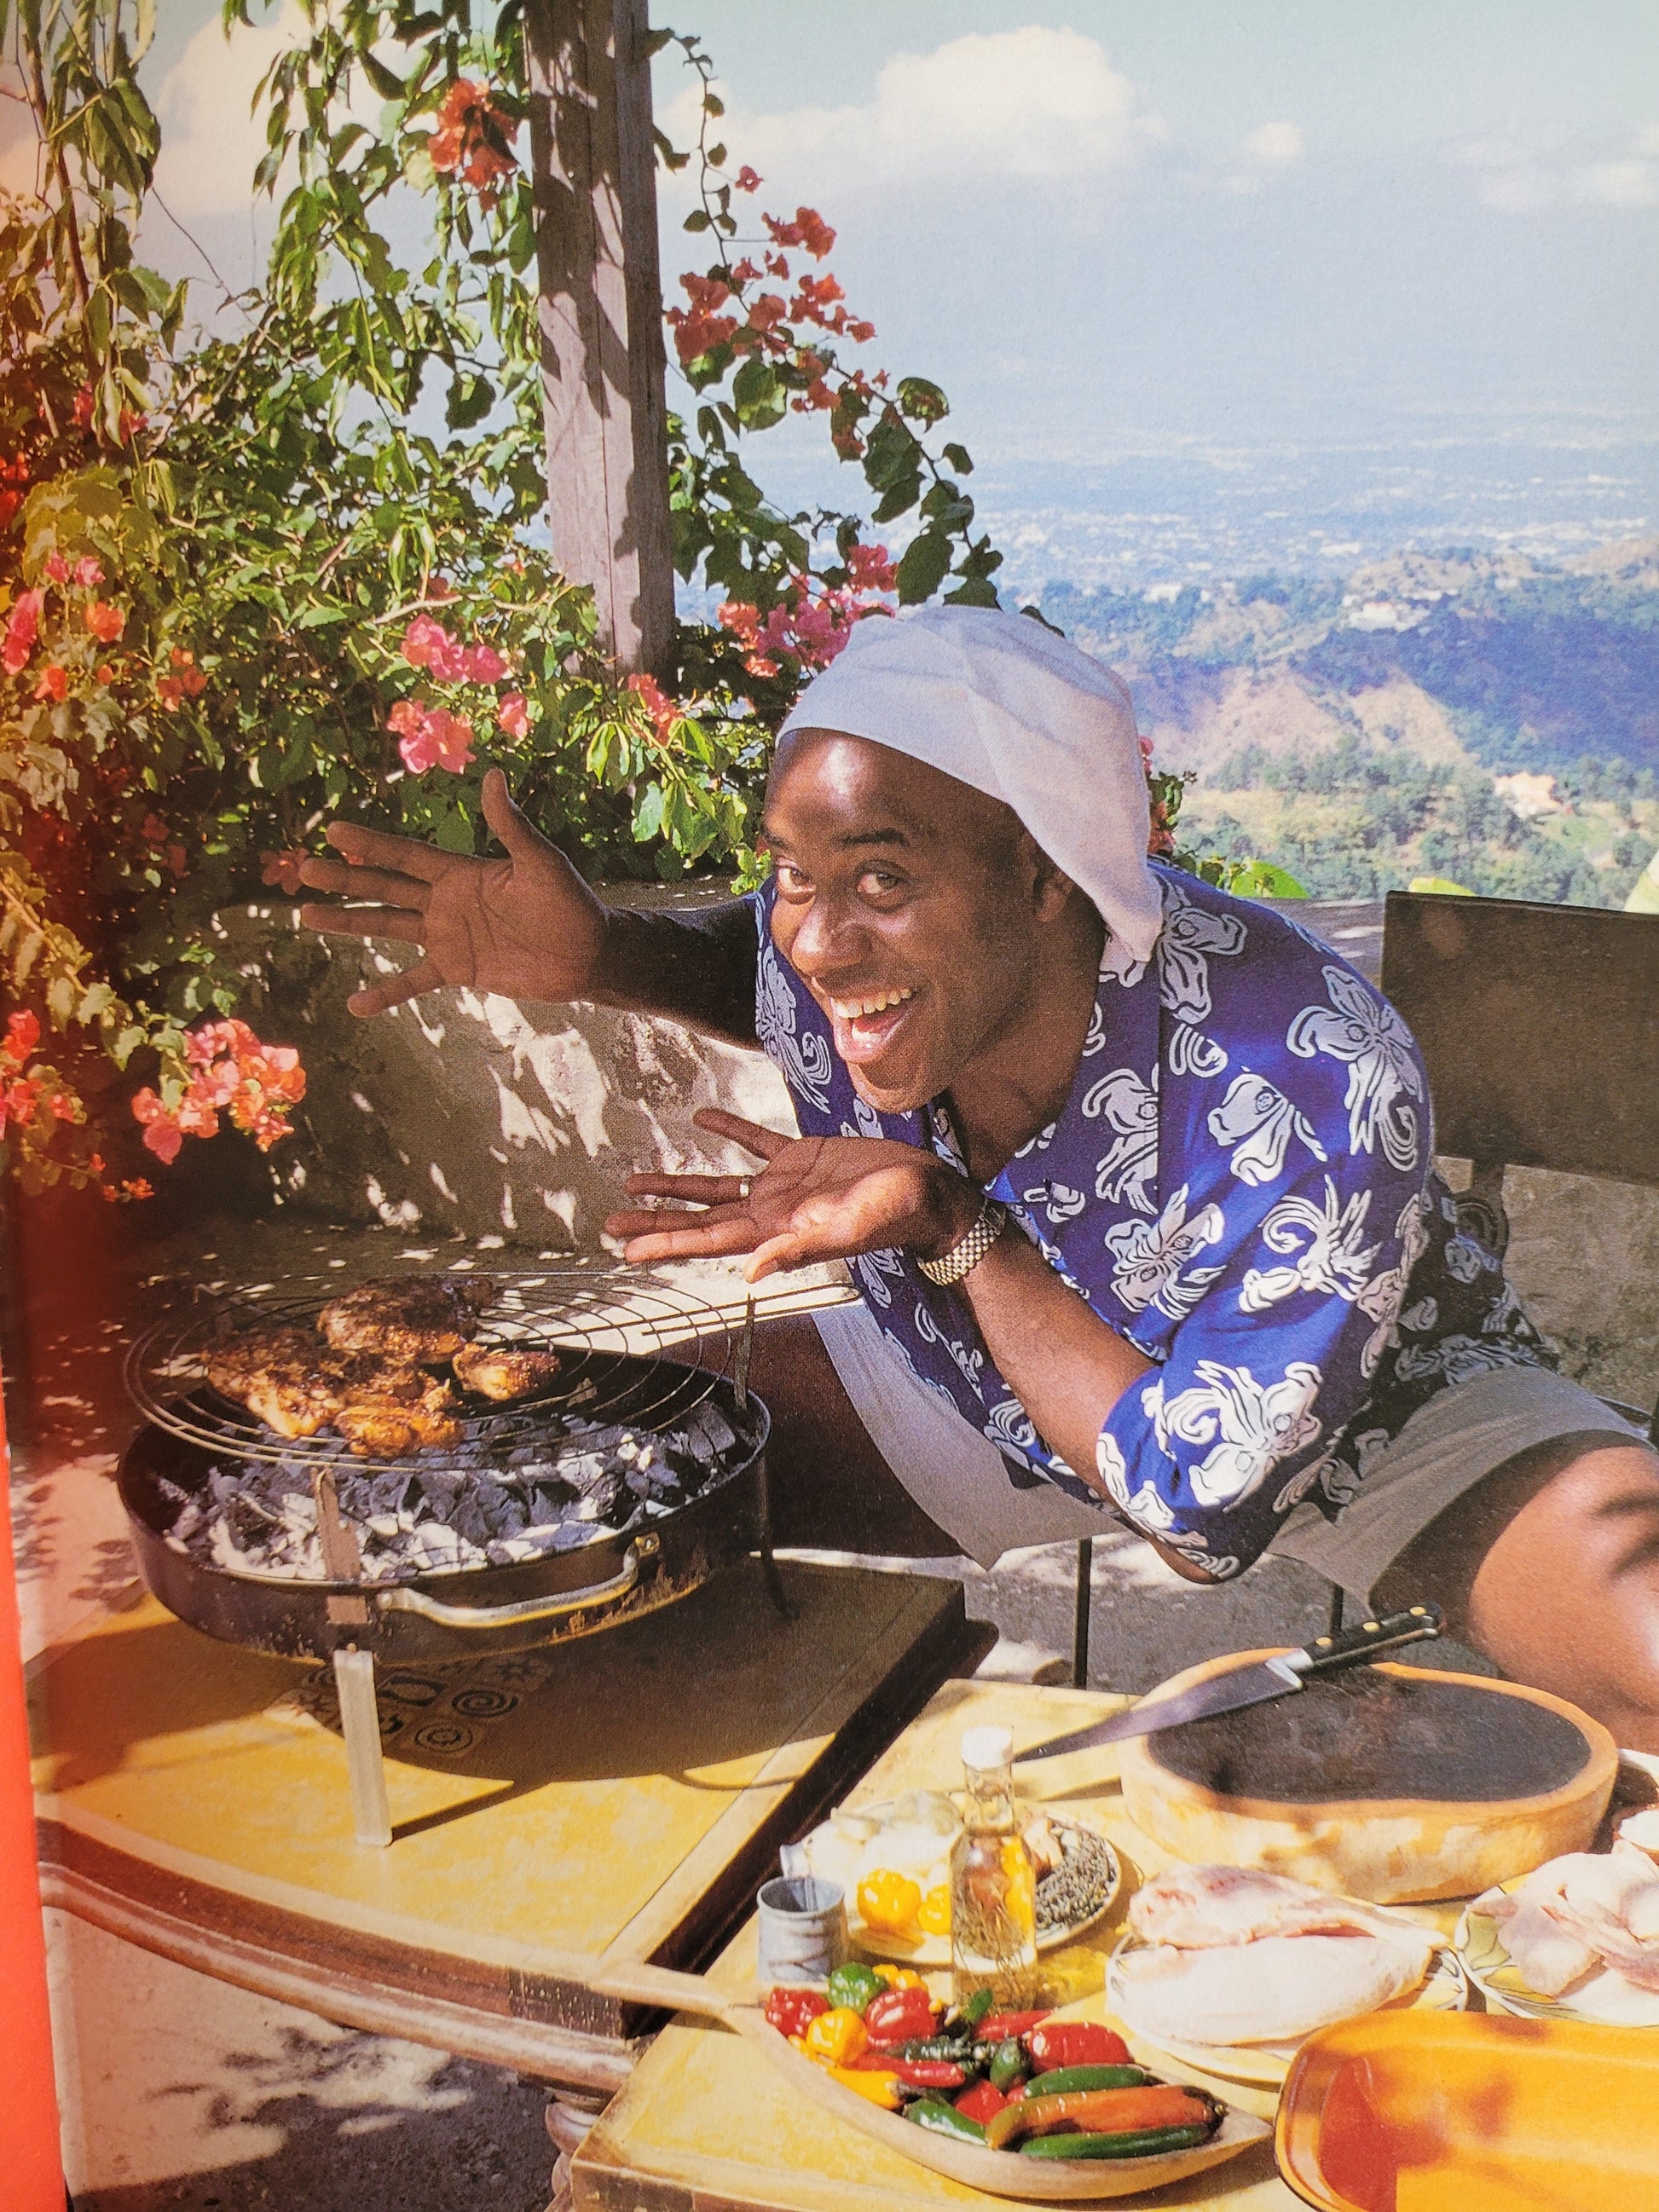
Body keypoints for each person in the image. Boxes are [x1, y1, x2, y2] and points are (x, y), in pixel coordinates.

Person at [298, 607, 1659, 1748]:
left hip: (1373, 1424)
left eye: (879, 876)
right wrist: (599, 954)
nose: (821, 941)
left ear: (1044, 873)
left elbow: (1196, 1509)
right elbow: (766, 966)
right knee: (546, 1486)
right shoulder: (831, 945)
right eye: (789, 871)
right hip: (983, 1375)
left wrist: (955, 1227)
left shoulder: (1309, 1070)